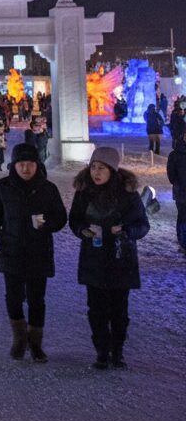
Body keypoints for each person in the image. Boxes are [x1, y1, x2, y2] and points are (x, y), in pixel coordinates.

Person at [0, 143, 68, 362]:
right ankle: (19, 338)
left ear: (37, 165)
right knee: (13, 297)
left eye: (30, 164)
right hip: (11, 250)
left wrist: (46, 223)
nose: (26, 169)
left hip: (39, 251)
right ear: (14, 165)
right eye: (21, 164)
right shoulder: (3, 187)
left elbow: (60, 217)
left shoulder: (48, 189)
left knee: (37, 299)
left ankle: (36, 343)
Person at [68, 146, 149, 369]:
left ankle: (118, 352)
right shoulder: (84, 193)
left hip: (121, 260)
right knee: (96, 310)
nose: (96, 172)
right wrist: (83, 231)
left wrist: (125, 230)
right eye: (93, 167)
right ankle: (102, 352)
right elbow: (74, 220)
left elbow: (143, 226)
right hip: (93, 259)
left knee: (119, 310)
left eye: (101, 168)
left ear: (112, 170)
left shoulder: (128, 195)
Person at [166, 136, 186, 253]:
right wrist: (179, 184)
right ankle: (183, 243)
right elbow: (171, 175)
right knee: (183, 217)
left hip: (180, 191)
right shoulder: (175, 154)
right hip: (181, 192)